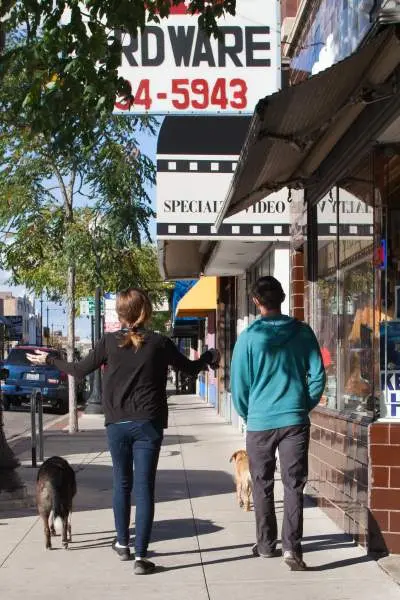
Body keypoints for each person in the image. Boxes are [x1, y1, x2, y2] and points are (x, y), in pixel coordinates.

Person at [27, 288, 219, 575]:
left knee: (122, 483)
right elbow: (189, 369)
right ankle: (141, 556)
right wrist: (207, 357)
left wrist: (50, 361)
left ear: (121, 314)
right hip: (149, 424)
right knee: (144, 488)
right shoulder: (159, 343)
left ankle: (122, 543)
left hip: (117, 424)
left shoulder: (108, 342)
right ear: (147, 311)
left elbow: (78, 370)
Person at [230, 276, 325, 571]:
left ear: (257, 302)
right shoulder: (303, 332)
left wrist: (249, 413)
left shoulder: (248, 337)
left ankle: (266, 544)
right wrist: (300, 405)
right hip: (294, 420)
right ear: (282, 299)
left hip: (260, 422)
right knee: (294, 485)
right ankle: (292, 550)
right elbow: (318, 375)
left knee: (262, 483)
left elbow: (239, 385)